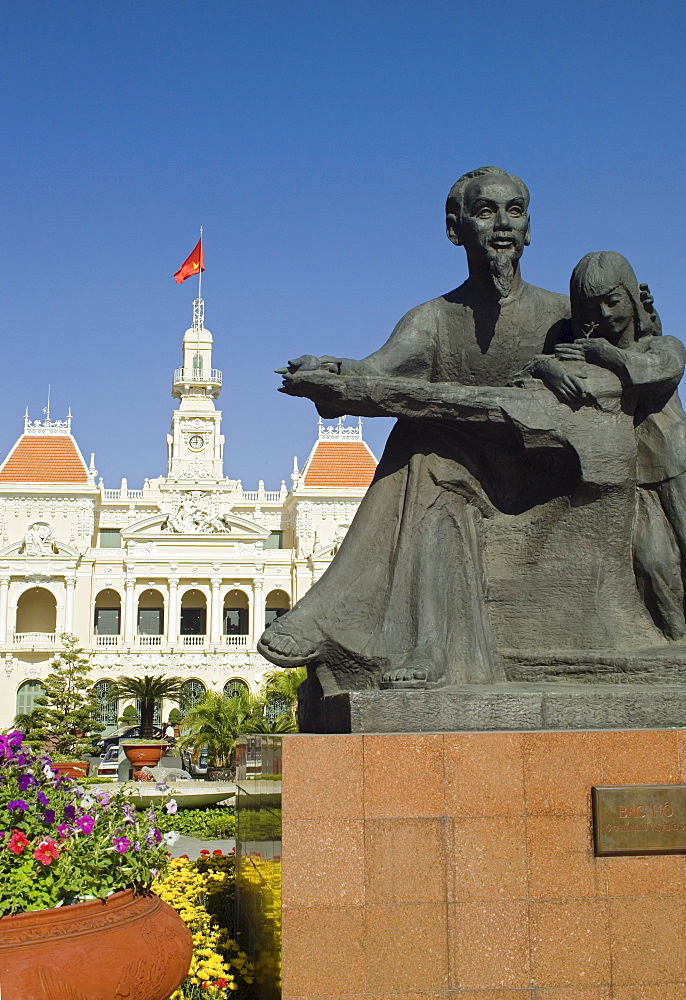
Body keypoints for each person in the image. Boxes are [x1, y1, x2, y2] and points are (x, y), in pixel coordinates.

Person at [258, 166, 577, 688]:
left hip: (543, 477)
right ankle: (427, 647)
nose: (502, 225)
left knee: (428, 446)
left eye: (514, 211)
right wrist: (334, 372)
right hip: (460, 477)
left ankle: (335, 616)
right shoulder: (432, 318)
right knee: (424, 445)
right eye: (485, 211)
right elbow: (377, 370)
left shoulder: (561, 317)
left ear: (529, 228)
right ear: (456, 230)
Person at [551, 251, 686, 638]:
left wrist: (605, 354)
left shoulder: (663, 347)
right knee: (651, 561)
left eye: (613, 301)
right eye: (593, 307)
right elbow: (539, 370)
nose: (606, 315)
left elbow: (654, 372)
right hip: (631, 473)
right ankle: (676, 640)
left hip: (676, 464)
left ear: (632, 296)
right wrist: (548, 366)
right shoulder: (588, 354)